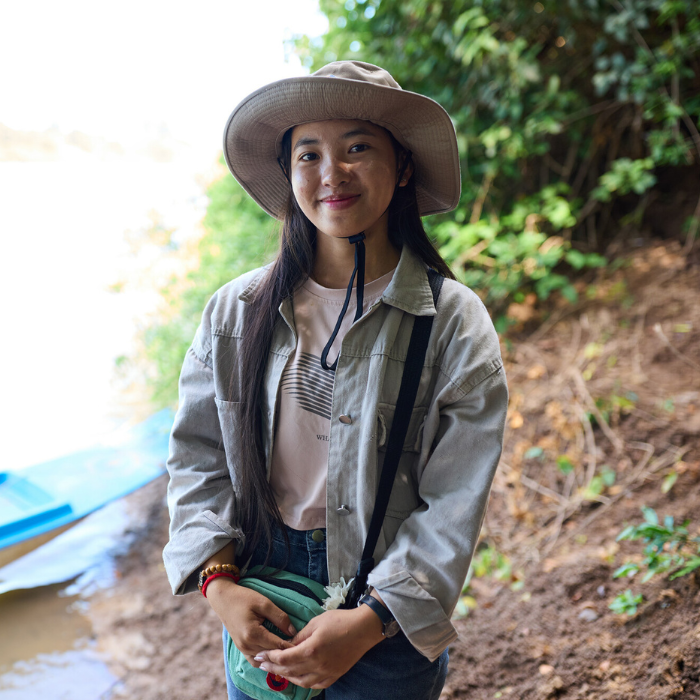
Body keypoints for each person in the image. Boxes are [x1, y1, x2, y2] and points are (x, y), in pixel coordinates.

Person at [163, 60, 508, 700]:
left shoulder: (453, 323)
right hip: (262, 590)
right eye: (309, 153)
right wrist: (221, 585)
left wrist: (371, 621)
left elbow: (454, 501)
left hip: (387, 604)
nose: (332, 173)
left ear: (402, 166)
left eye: (357, 148)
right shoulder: (236, 314)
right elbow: (196, 456)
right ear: (289, 171)